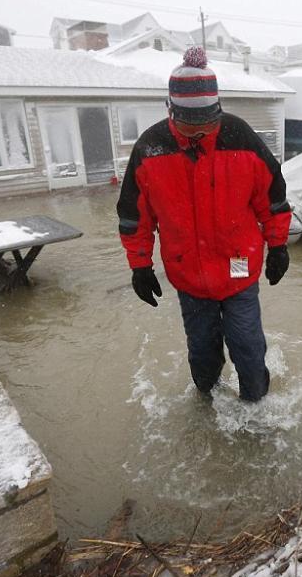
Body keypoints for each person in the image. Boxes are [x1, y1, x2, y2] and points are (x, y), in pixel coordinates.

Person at [117, 47, 291, 402]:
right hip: (189, 276)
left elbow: (272, 198)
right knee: (202, 353)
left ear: (218, 111)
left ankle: (256, 407)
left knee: (248, 348)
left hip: (239, 267)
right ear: (171, 111)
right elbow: (134, 217)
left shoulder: (240, 137)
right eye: (189, 126)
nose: (199, 134)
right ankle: (207, 404)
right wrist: (140, 267)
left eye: (207, 125)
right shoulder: (150, 148)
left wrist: (279, 246)